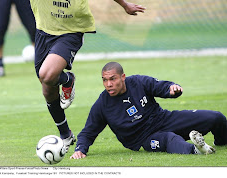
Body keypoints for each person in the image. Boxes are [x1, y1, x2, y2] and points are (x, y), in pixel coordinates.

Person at [0, 0, 146, 151]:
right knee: (47, 87)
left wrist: (124, 5)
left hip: (71, 32)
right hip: (44, 33)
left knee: (47, 74)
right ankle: (65, 133)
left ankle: (65, 79)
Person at [70, 62, 227, 159]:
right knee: (169, 139)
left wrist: (172, 89)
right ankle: (197, 150)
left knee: (216, 117)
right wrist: (80, 150)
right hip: (143, 138)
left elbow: (161, 86)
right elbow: (88, 132)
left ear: (122, 77)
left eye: (113, 79)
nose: (108, 84)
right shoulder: (102, 104)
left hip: (164, 119)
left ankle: (221, 142)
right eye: (105, 80)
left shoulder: (138, 82)